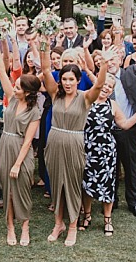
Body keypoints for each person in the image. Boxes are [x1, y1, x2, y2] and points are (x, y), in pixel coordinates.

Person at [37, 39, 103, 247]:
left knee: (73, 184)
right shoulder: (55, 95)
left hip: (74, 142)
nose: (67, 83)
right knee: (56, 184)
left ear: (78, 80)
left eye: (71, 79)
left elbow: (99, 85)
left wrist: (105, 65)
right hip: (54, 141)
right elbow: (46, 70)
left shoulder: (85, 97)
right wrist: (44, 46)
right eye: (64, 79)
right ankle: (59, 224)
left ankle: (73, 225)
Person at [83, 51, 136, 237]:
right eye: (104, 85)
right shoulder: (87, 99)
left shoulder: (116, 99)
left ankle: (126, 207)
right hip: (89, 147)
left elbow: (124, 124)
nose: (106, 88)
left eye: (110, 86)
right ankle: (90, 213)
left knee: (124, 170)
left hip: (114, 142)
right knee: (89, 181)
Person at [0, 49, 41, 246]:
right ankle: (10, 227)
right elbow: (1, 71)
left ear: (27, 92)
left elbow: (28, 141)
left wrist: (17, 164)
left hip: (21, 151)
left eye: (18, 87)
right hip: (5, 145)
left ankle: (25, 226)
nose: (14, 88)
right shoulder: (12, 98)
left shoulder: (34, 111)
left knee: (22, 190)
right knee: (8, 191)